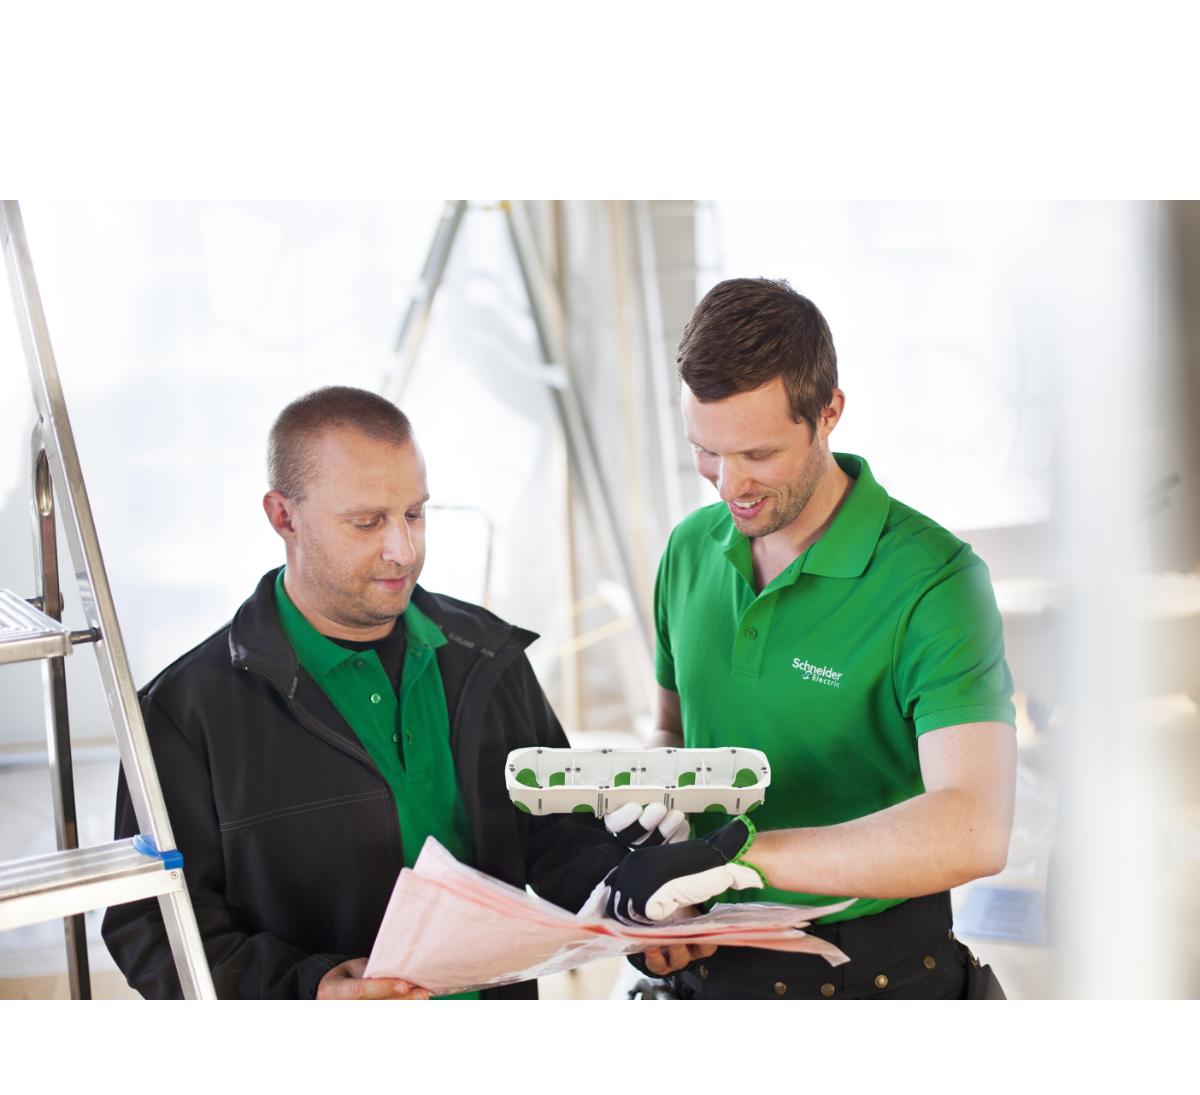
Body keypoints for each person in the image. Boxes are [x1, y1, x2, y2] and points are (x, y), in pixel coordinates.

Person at [102, 385, 653, 999]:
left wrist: (640, 907)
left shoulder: (485, 657)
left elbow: (559, 836)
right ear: (283, 516)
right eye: (367, 522)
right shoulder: (182, 715)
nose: (403, 550)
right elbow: (150, 930)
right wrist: (310, 990)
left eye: (414, 514)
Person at [603, 279, 1017, 999]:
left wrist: (737, 860)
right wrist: (663, 874)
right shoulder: (690, 550)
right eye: (706, 451)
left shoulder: (935, 582)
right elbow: (673, 730)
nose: (729, 487)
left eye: (758, 454)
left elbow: (973, 827)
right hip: (710, 967)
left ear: (829, 413)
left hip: (877, 978)